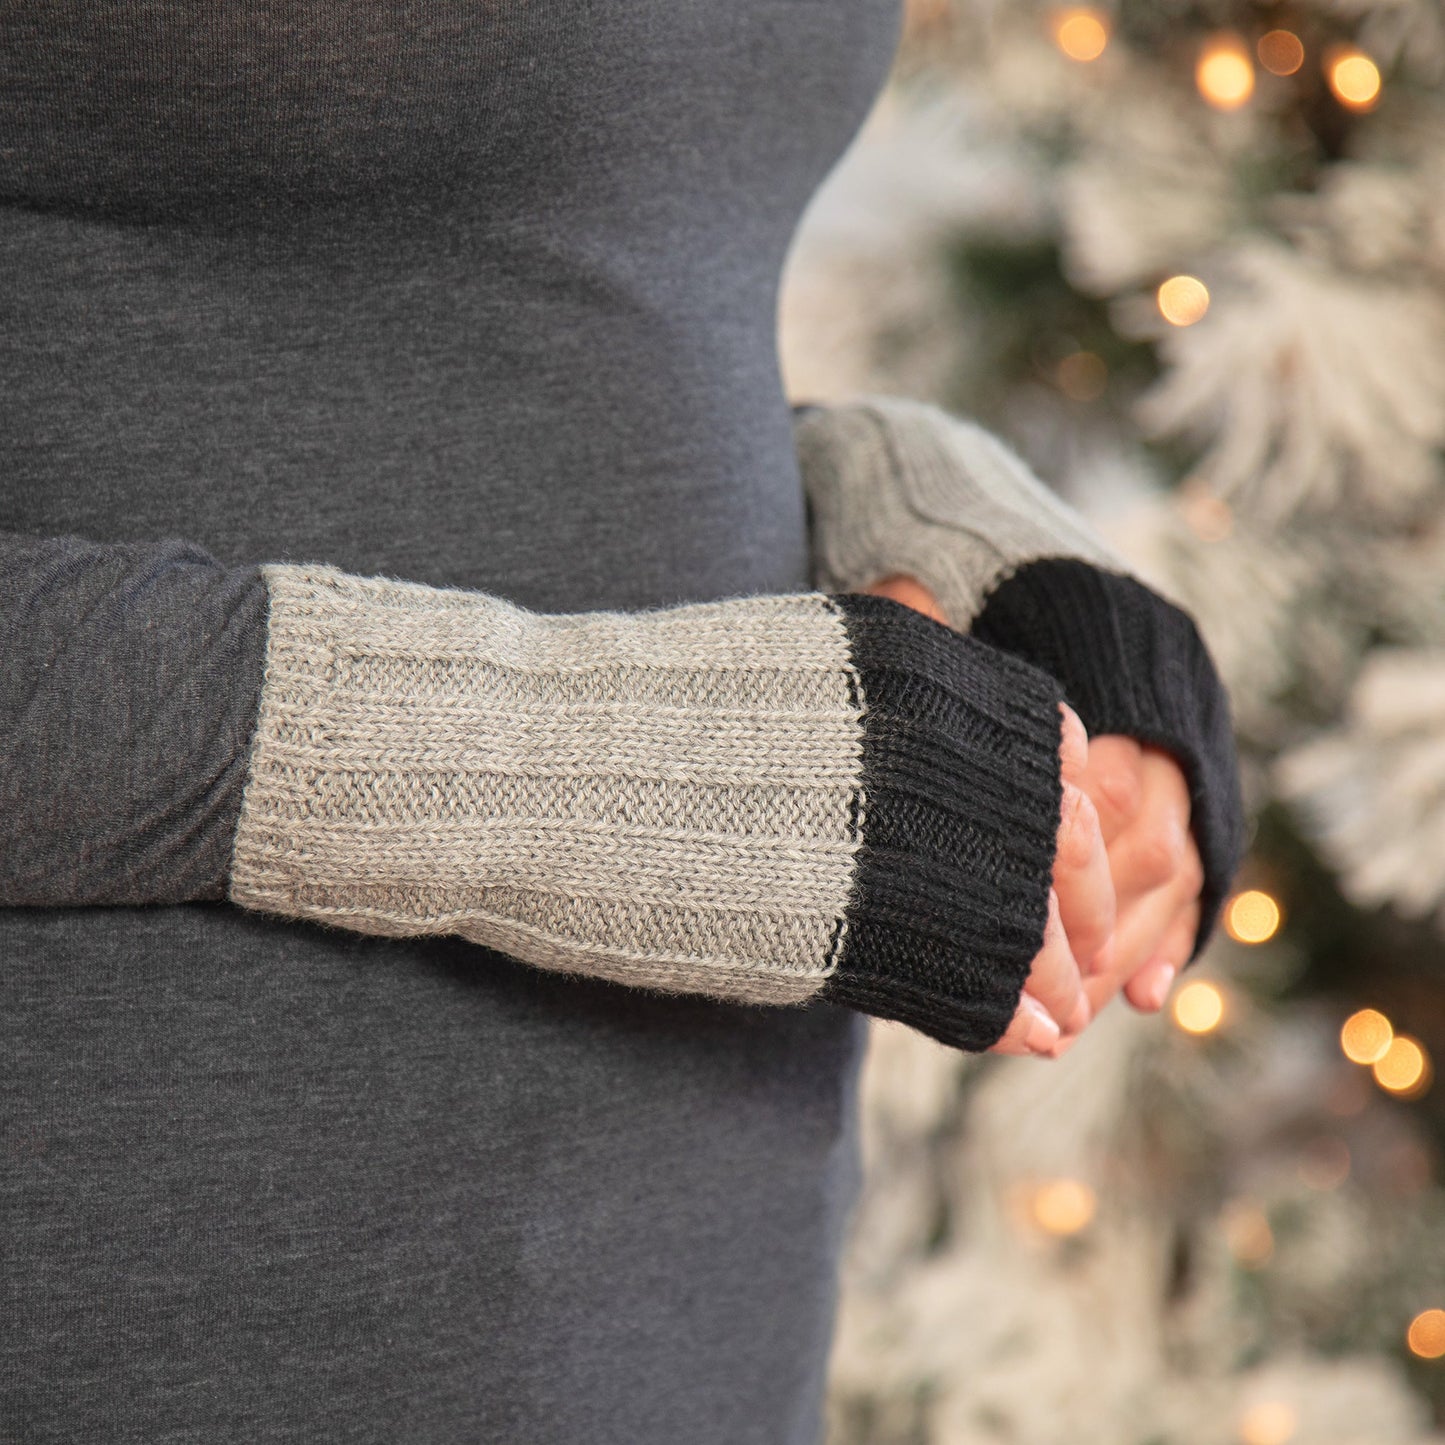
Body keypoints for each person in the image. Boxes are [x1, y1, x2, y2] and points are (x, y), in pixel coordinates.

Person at [0, 3, 1242, 1440]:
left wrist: (926, 512)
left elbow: (577, 277)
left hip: (679, 1276)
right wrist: (603, 763)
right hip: (147, 1276)